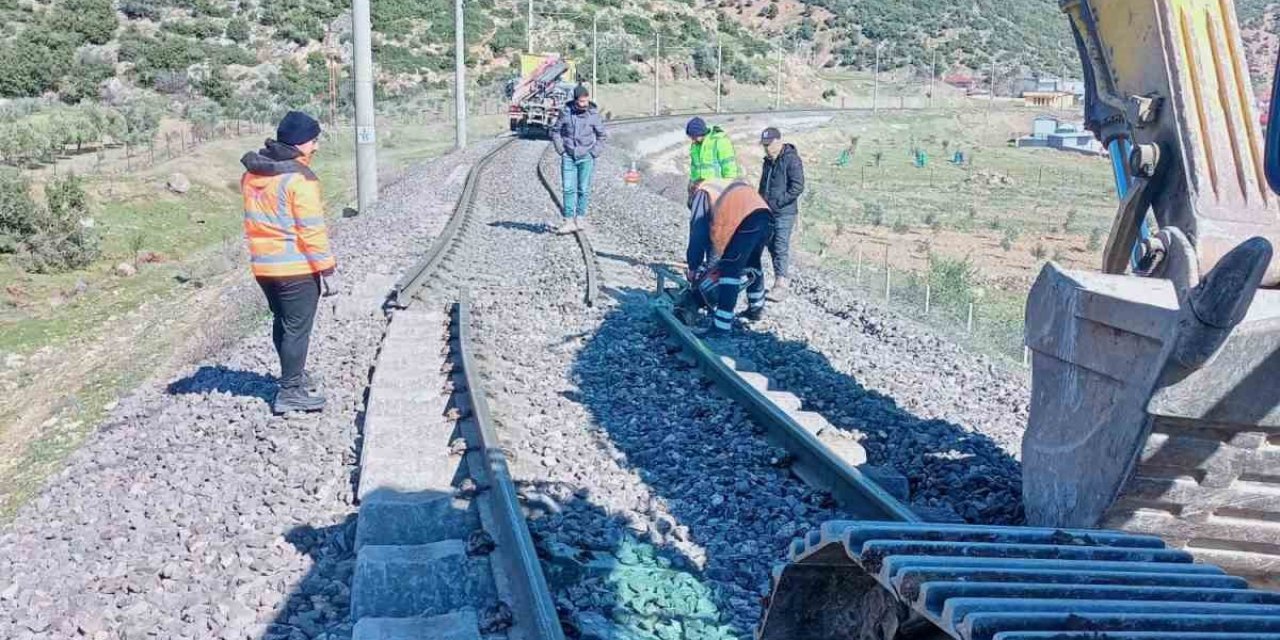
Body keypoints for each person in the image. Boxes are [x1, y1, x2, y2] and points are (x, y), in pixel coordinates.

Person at [240, 110, 338, 415]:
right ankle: (290, 391)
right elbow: (310, 228)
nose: (316, 147)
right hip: (295, 268)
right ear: (299, 144)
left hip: (264, 266)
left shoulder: (253, 173)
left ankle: (292, 375)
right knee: (297, 328)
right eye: (313, 141)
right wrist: (327, 266)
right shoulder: (300, 178)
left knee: (283, 323)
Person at [684, 178, 773, 336]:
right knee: (752, 263)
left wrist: (693, 266)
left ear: (692, 191)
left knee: (730, 270)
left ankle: (721, 326)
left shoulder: (702, 193)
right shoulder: (719, 187)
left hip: (749, 220)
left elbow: (698, 231)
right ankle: (756, 308)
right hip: (766, 217)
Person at [550, 84, 607, 234]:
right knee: (568, 189)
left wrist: (594, 153)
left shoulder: (593, 115)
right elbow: (555, 132)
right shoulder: (565, 114)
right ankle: (569, 221)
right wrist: (561, 150)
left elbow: (602, 136)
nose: (584, 104)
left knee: (583, 189)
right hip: (568, 156)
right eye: (581, 101)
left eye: (586, 101)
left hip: (586, 156)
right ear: (575, 101)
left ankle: (580, 218)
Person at [757, 127, 805, 301]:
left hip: (784, 212)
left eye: (769, 145)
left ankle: (781, 285)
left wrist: (778, 203)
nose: (766, 148)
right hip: (767, 211)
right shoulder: (767, 161)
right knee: (770, 244)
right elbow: (763, 185)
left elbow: (798, 186)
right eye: (764, 145)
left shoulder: (792, 160)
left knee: (780, 244)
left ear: (778, 141)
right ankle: (774, 279)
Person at [685, 117, 740, 204]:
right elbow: (694, 167)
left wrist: (728, 189)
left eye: (694, 136)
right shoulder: (695, 145)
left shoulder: (720, 141)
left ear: (700, 132)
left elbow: (729, 166)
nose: (692, 139)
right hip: (700, 189)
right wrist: (691, 183)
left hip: (717, 190)